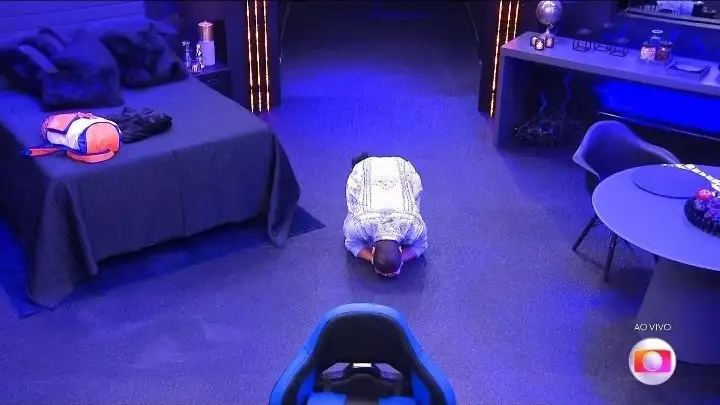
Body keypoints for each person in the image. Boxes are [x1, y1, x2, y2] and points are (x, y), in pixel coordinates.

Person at [343, 153, 428, 277]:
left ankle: (365, 167)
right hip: (389, 167)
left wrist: (381, 260)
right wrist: (395, 261)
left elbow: (352, 244)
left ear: (373, 250)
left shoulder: (414, 227)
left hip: (401, 165)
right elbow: (351, 244)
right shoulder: (358, 226)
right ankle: (363, 166)